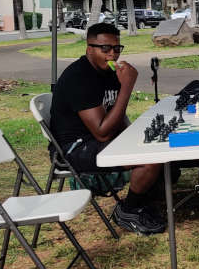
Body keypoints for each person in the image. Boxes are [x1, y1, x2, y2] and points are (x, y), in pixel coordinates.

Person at [49, 22, 165, 235]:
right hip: (76, 149)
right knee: (151, 157)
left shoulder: (110, 73)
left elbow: (116, 117)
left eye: (116, 48)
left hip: (100, 140)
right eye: (105, 49)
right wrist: (127, 87)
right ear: (88, 48)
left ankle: (145, 202)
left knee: (159, 143)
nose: (112, 54)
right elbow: (101, 131)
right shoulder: (79, 77)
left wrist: (134, 135)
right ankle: (128, 210)